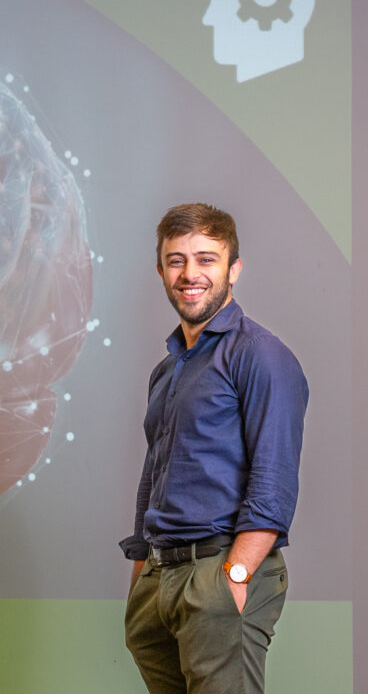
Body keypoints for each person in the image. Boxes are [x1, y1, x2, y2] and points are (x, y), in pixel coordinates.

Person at [120, 203, 308, 694]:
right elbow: (154, 473)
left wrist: (235, 577)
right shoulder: (167, 370)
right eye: (177, 260)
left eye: (207, 259)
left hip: (218, 572)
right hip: (160, 579)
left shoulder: (260, 355)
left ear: (234, 269)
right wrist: (142, 574)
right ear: (161, 271)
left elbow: (273, 478)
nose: (190, 274)